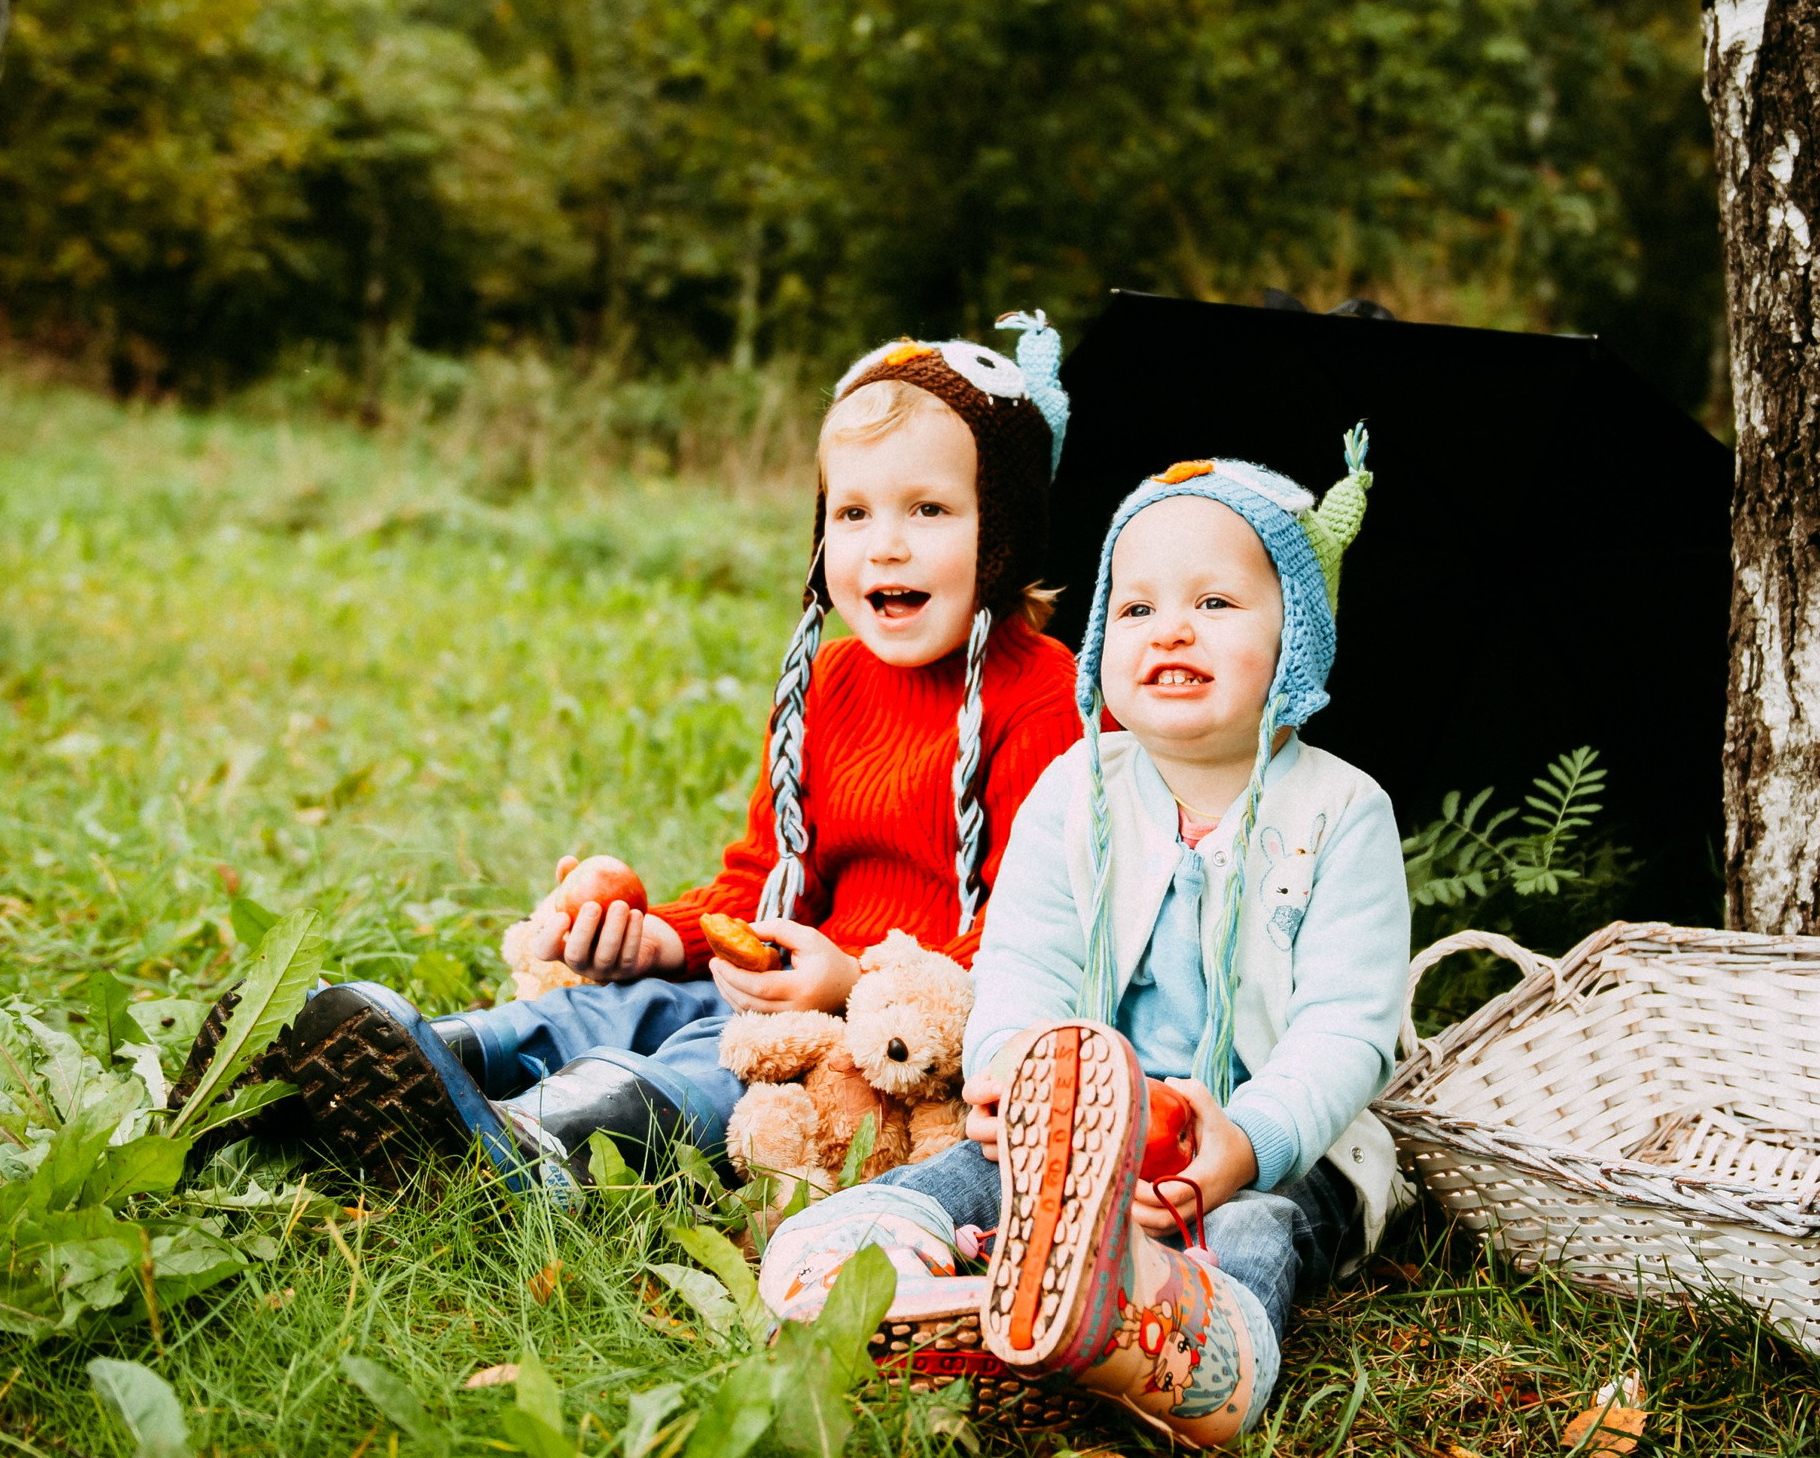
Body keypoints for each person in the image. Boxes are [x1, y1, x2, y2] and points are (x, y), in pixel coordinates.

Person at [231, 318, 1083, 1197]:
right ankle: (411, 1065)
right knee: (634, 1003)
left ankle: (525, 1149)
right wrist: (652, 938)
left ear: (1007, 533)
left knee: (730, 1066)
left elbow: (1034, 942)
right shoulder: (830, 680)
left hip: (900, 1035)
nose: (886, 544)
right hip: (791, 975)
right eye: (853, 513)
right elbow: (765, 878)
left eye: (929, 510)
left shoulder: (1041, 698)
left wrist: (851, 981)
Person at [757, 433, 1408, 1446]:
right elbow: (1028, 960)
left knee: (1254, 1229)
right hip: (1077, 1128)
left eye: (1216, 603)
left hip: (1273, 1143)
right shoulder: (1080, 788)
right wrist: (1012, 1075)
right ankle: (880, 1270)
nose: (1171, 631)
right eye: (1139, 608)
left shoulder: (1342, 811)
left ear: (1299, 633)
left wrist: (1247, 1142)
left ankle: (1186, 1336)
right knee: (969, 1178)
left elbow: (1345, 1028)